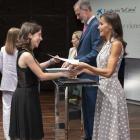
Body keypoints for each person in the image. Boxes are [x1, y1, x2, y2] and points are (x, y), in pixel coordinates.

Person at [71, 11, 130, 140]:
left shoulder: (116, 44)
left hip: (112, 92)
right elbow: (100, 70)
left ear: (111, 26)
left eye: (101, 24)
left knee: (111, 128)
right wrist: (81, 70)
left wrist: (86, 66)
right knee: (103, 126)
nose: (98, 27)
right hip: (102, 89)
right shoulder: (105, 44)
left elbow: (108, 72)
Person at [9, 22, 71, 140]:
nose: (41, 38)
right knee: (28, 132)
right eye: (39, 35)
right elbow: (41, 76)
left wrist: (51, 61)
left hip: (28, 94)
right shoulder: (26, 54)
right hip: (25, 95)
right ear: (30, 35)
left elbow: (38, 67)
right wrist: (63, 73)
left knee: (30, 130)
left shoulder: (28, 52)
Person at [62, 0, 101, 140]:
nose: (77, 17)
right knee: (86, 110)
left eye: (78, 14)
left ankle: (91, 136)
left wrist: (77, 61)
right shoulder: (87, 26)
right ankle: (88, 136)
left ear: (86, 10)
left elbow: (96, 52)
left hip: (91, 76)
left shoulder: (95, 25)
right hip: (83, 75)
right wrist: (74, 61)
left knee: (91, 110)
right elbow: (86, 52)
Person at [0, 27, 20, 140]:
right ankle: (17, 134)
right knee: (18, 109)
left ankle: (8, 137)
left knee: (7, 110)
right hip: (18, 84)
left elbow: (1, 67)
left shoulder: (3, 50)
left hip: (6, 83)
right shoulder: (21, 51)